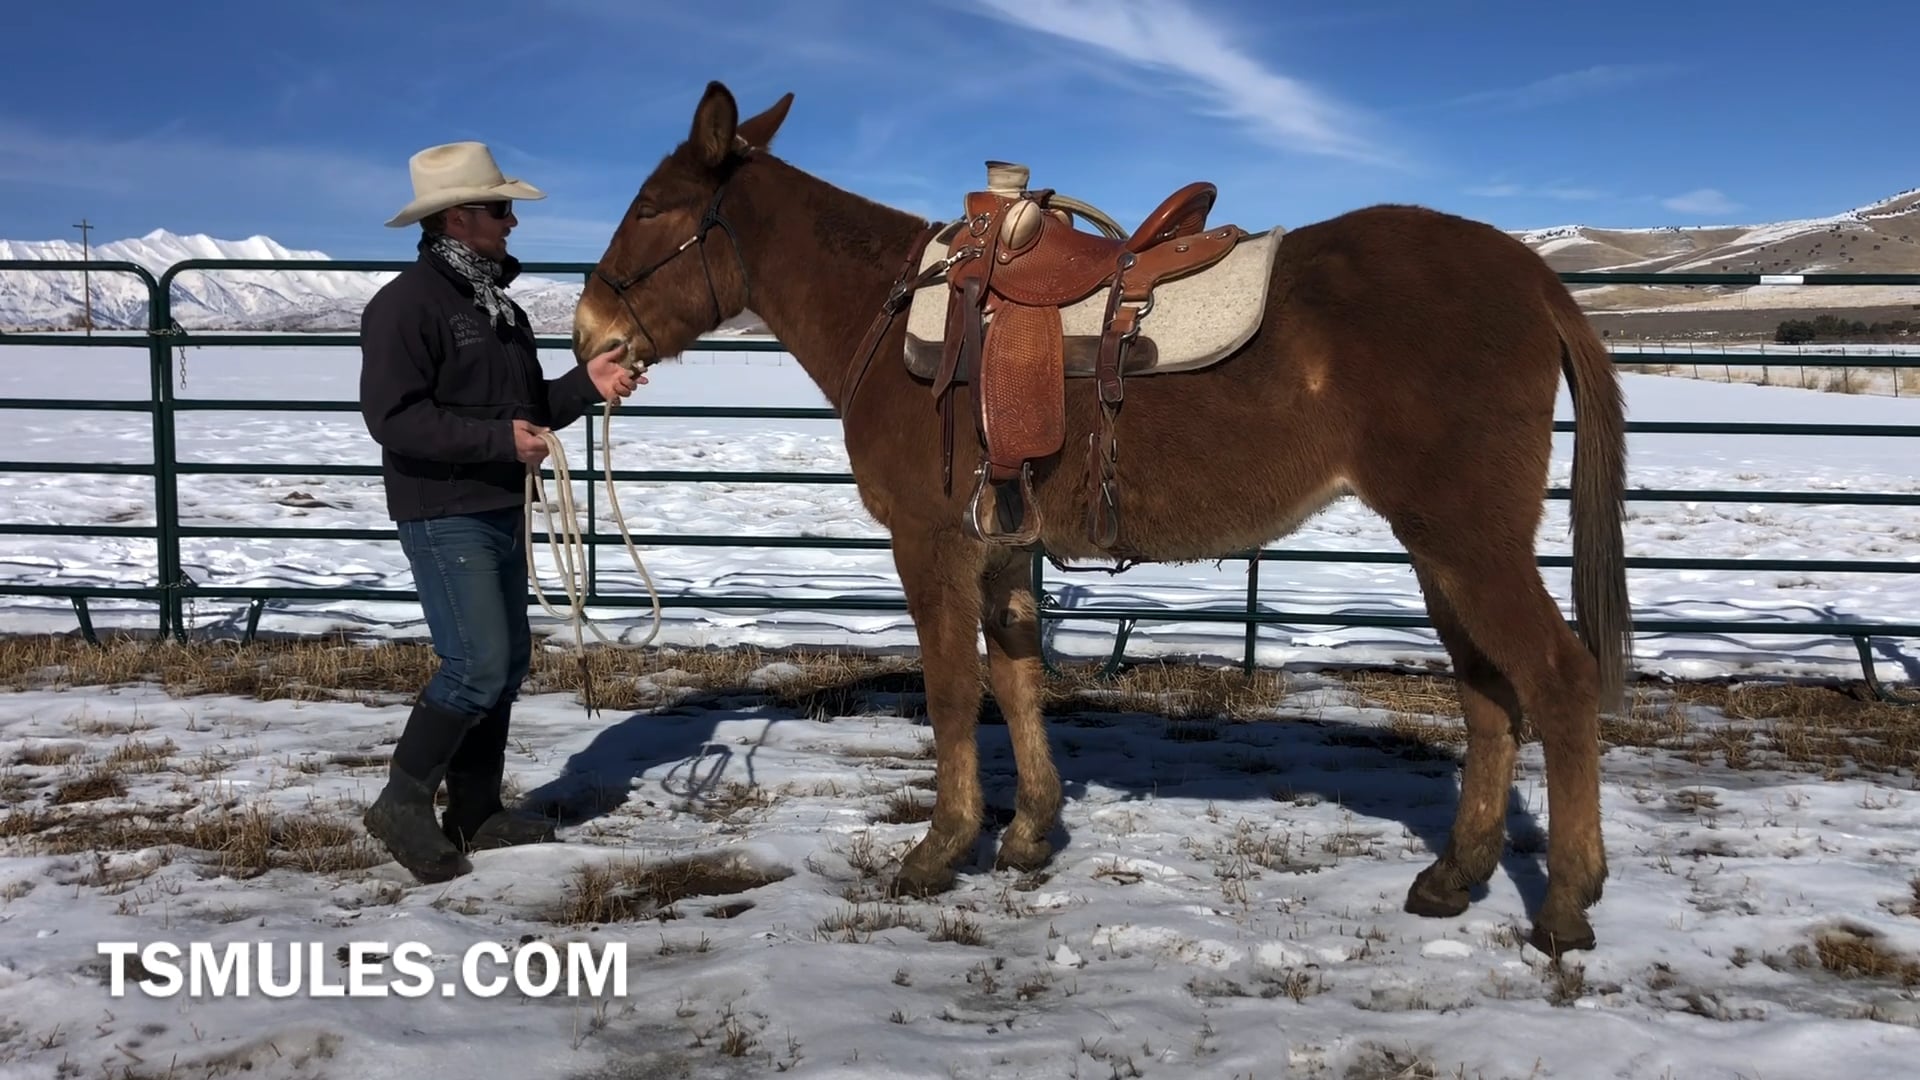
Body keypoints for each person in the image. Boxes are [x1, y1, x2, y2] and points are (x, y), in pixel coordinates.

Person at [356, 141, 640, 883]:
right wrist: (492, 441)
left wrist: (587, 382)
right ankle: (402, 804)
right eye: (499, 208)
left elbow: (528, 411)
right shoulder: (406, 307)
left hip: (498, 503)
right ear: (459, 217)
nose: (512, 221)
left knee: (505, 663)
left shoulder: (499, 309)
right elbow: (393, 417)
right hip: (445, 507)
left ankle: (476, 812)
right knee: (476, 664)